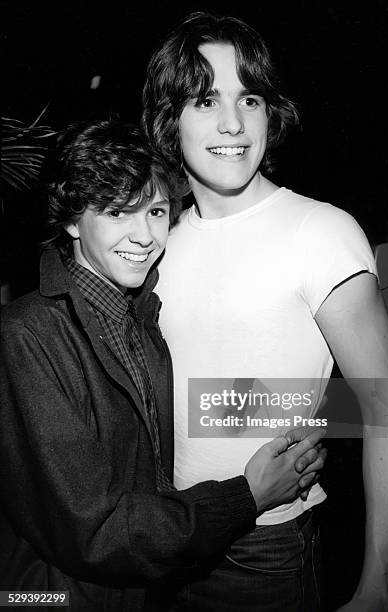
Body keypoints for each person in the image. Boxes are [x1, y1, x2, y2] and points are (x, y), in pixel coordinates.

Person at [142, 12, 388, 612]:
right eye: (206, 99)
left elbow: (387, 405)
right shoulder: (153, 241)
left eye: (250, 99)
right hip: (160, 543)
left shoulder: (319, 231)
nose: (232, 124)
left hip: (261, 555)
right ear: (171, 120)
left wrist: (380, 585)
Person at [0, 119, 327, 611]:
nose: (143, 235)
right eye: (116, 212)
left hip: (151, 586)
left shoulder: (142, 313)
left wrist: (313, 421)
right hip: (50, 595)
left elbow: (181, 413)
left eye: (154, 211)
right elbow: (96, 530)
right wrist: (248, 496)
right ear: (71, 220)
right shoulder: (27, 333)